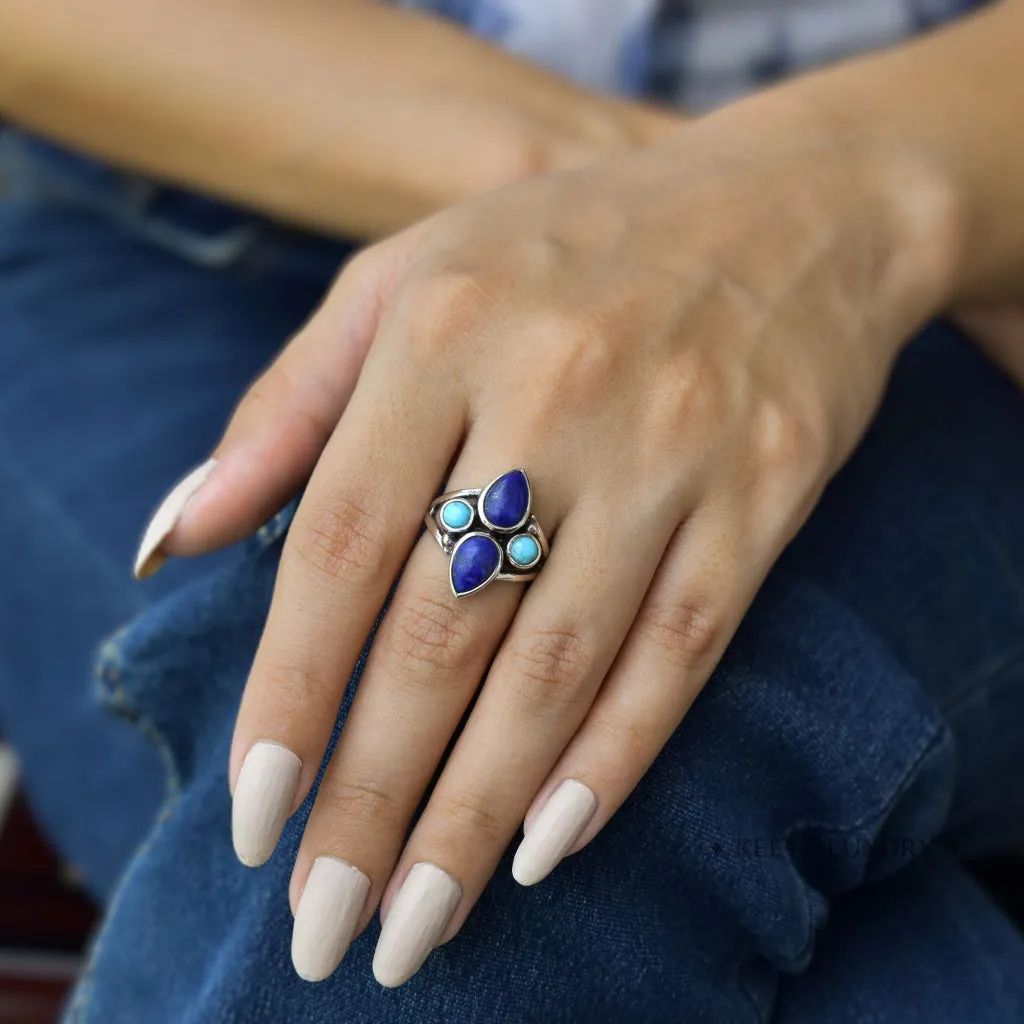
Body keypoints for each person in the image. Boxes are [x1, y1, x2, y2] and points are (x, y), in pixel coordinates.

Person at [0, 1, 1022, 1020]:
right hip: (165, 239)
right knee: (386, 771)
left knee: (495, 802)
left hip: (936, 253)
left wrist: (839, 199)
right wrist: (676, 199)